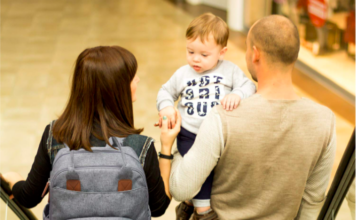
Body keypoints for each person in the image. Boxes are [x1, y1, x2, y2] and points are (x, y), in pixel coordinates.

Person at [166, 15, 337, 220]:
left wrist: (172, 143)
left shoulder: (223, 117)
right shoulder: (324, 121)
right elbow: (311, 205)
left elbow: (182, 188)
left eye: (247, 48)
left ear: (255, 54)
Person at [2, 46, 177, 217]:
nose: (138, 79)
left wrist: (13, 179)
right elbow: (158, 207)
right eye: (131, 76)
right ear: (114, 88)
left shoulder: (55, 135)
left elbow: (29, 197)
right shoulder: (139, 146)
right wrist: (166, 148)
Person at [156, 13, 256, 219]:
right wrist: (166, 107)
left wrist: (237, 94)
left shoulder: (229, 70)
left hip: (218, 134)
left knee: (215, 170)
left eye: (204, 54)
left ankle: (186, 205)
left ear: (222, 52)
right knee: (202, 168)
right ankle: (202, 210)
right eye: (190, 51)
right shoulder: (183, 74)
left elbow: (249, 86)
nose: (195, 58)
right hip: (189, 134)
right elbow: (166, 91)